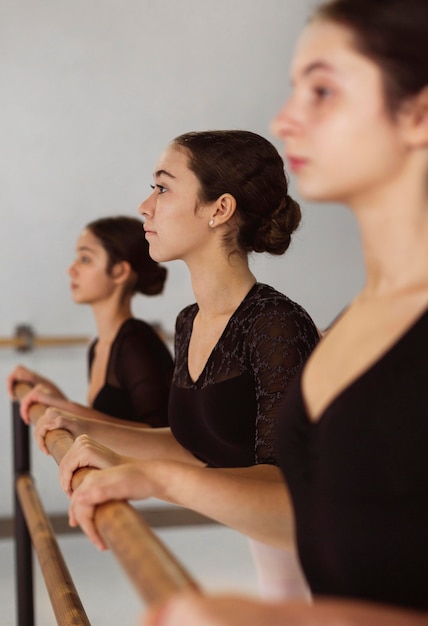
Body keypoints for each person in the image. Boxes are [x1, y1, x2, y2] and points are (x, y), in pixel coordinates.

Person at [139, 0, 428, 623]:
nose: (286, 119)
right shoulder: (358, 321)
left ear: (419, 114)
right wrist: (155, 477)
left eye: (322, 89)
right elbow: (320, 514)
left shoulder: (282, 323)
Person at [29, 130, 320, 600]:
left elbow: (288, 488)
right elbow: (197, 444)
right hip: (280, 576)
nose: (145, 206)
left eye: (162, 188)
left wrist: (143, 474)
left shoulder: (276, 324)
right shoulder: (191, 321)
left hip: (337, 580)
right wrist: (85, 430)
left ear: (218, 210)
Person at [7, 215, 173, 428]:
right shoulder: (98, 346)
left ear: (119, 271)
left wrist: (69, 409)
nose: (71, 269)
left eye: (85, 259)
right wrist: (48, 391)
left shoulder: (136, 342)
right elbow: (103, 424)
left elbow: (160, 435)